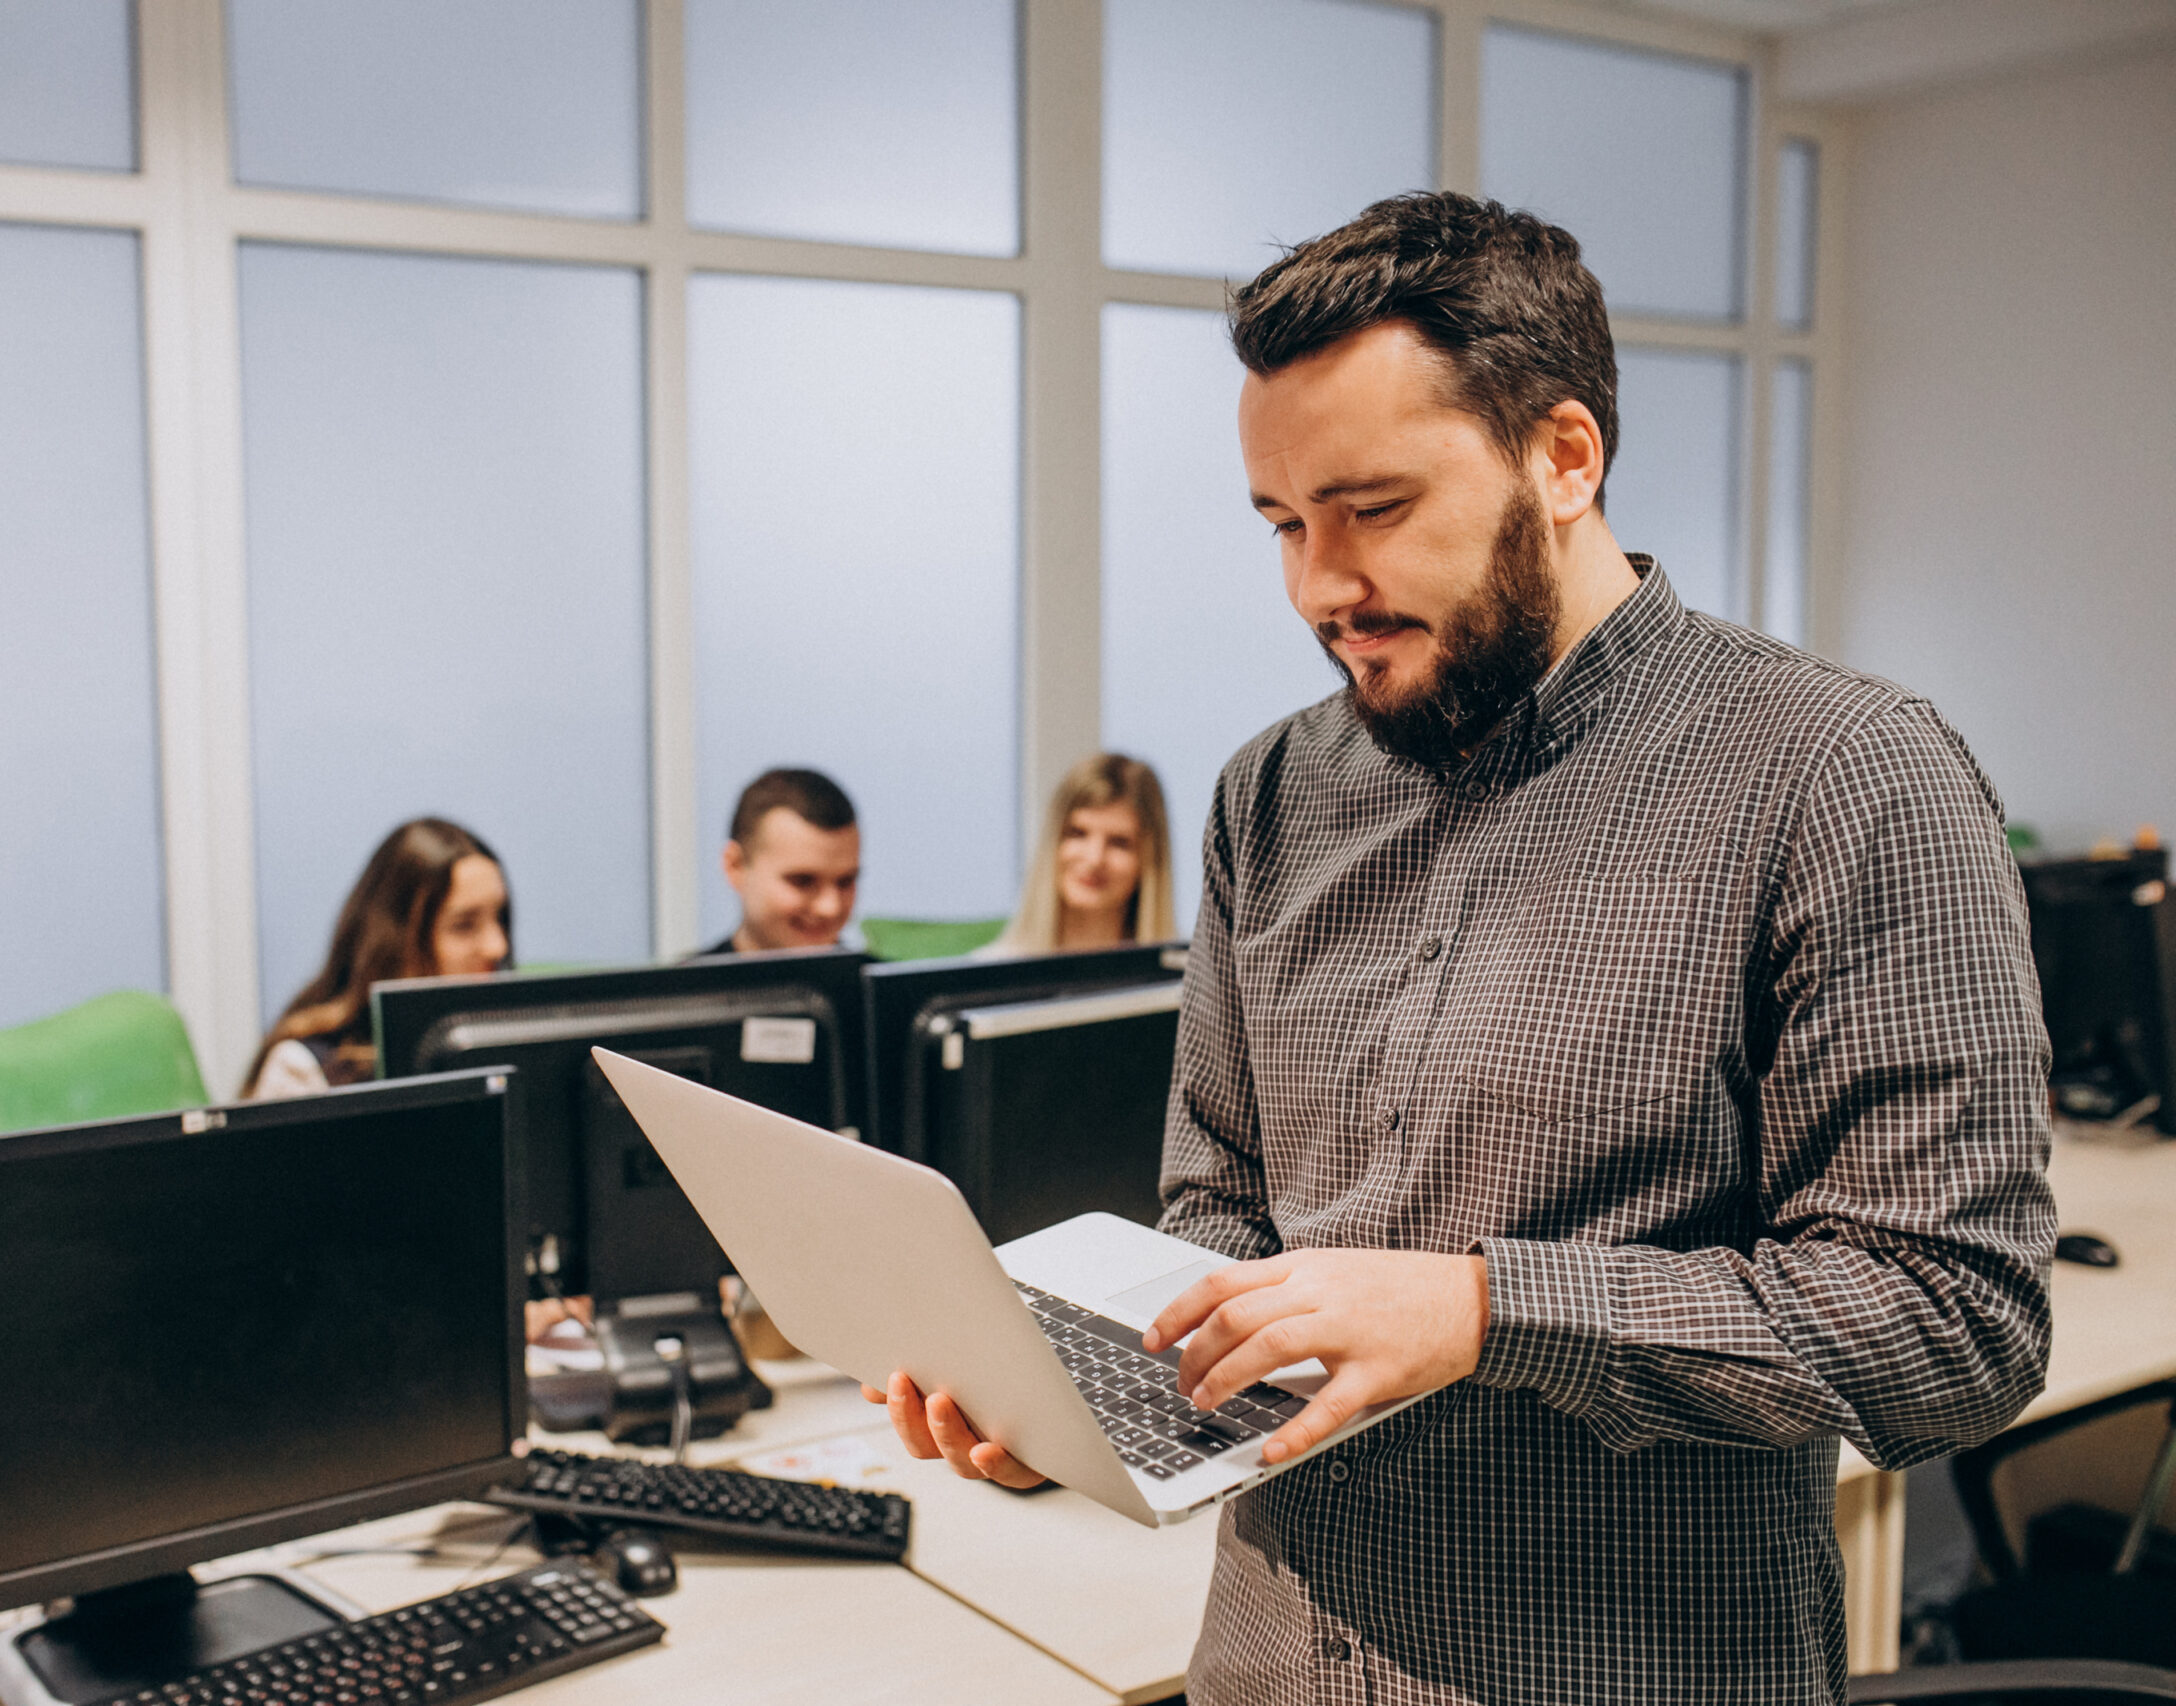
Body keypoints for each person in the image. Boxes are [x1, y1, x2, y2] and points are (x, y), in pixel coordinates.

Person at [870, 192, 2054, 1704]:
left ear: (1564, 458)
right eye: (1286, 525)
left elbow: (1954, 1318)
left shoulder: (1844, 776)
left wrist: (1491, 1309)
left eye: (1373, 510)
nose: (1319, 589)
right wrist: (1091, 1400)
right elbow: (1225, 1207)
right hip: (1264, 1665)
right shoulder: (1271, 791)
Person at [241, 817, 512, 1100]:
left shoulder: (516, 1048)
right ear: (397, 941)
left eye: (501, 918)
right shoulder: (305, 1069)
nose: (498, 947)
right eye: (464, 925)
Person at [989, 753, 1177, 955]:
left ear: (1149, 859)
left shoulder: (1186, 979)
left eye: (1119, 843)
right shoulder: (990, 972)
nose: (1094, 858)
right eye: (1078, 833)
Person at [699, 767, 861, 957]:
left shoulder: (892, 986)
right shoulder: (678, 986)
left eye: (845, 881)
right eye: (802, 881)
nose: (830, 908)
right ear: (735, 866)